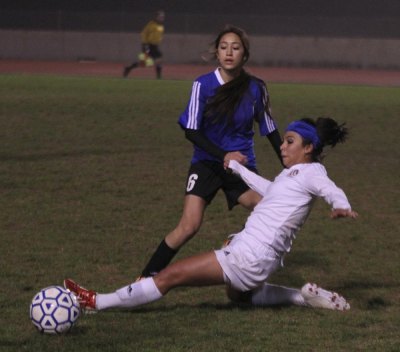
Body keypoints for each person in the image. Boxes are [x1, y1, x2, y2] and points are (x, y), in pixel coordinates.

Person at [65, 116, 358, 313]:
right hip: (259, 255)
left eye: (290, 141)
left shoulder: (313, 172)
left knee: (169, 276)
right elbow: (269, 190)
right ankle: (302, 296)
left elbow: (330, 188)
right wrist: (237, 168)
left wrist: (340, 205)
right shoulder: (292, 175)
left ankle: (96, 301)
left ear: (308, 148)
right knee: (241, 297)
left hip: (251, 255)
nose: (282, 145)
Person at [136, 25, 283, 279]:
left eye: (235, 48)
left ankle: (235, 241)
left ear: (244, 55)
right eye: (224, 47)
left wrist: (290, 165)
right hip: (206, 162)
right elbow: (191, 131)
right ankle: (146, 277)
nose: (229, 52)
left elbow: (270, 129)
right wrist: (223, 155)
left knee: (266, 209)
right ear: (217, 52)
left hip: (240, 167)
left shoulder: (256, 88)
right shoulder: (202, 85)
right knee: (188, 226)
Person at [123, 10, 165, 79]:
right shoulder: (151, 24)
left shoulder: (161, 26)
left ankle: (159, 77)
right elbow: (144, 33)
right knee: (144, 63)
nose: (162, 18)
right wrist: (145, 43)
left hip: (155, 46)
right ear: (156, 17)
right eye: (160, 16)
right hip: (148, 45)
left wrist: (159, 40)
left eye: (163, 17)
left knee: (159, 59)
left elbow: (159, 35)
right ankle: (128, 68)